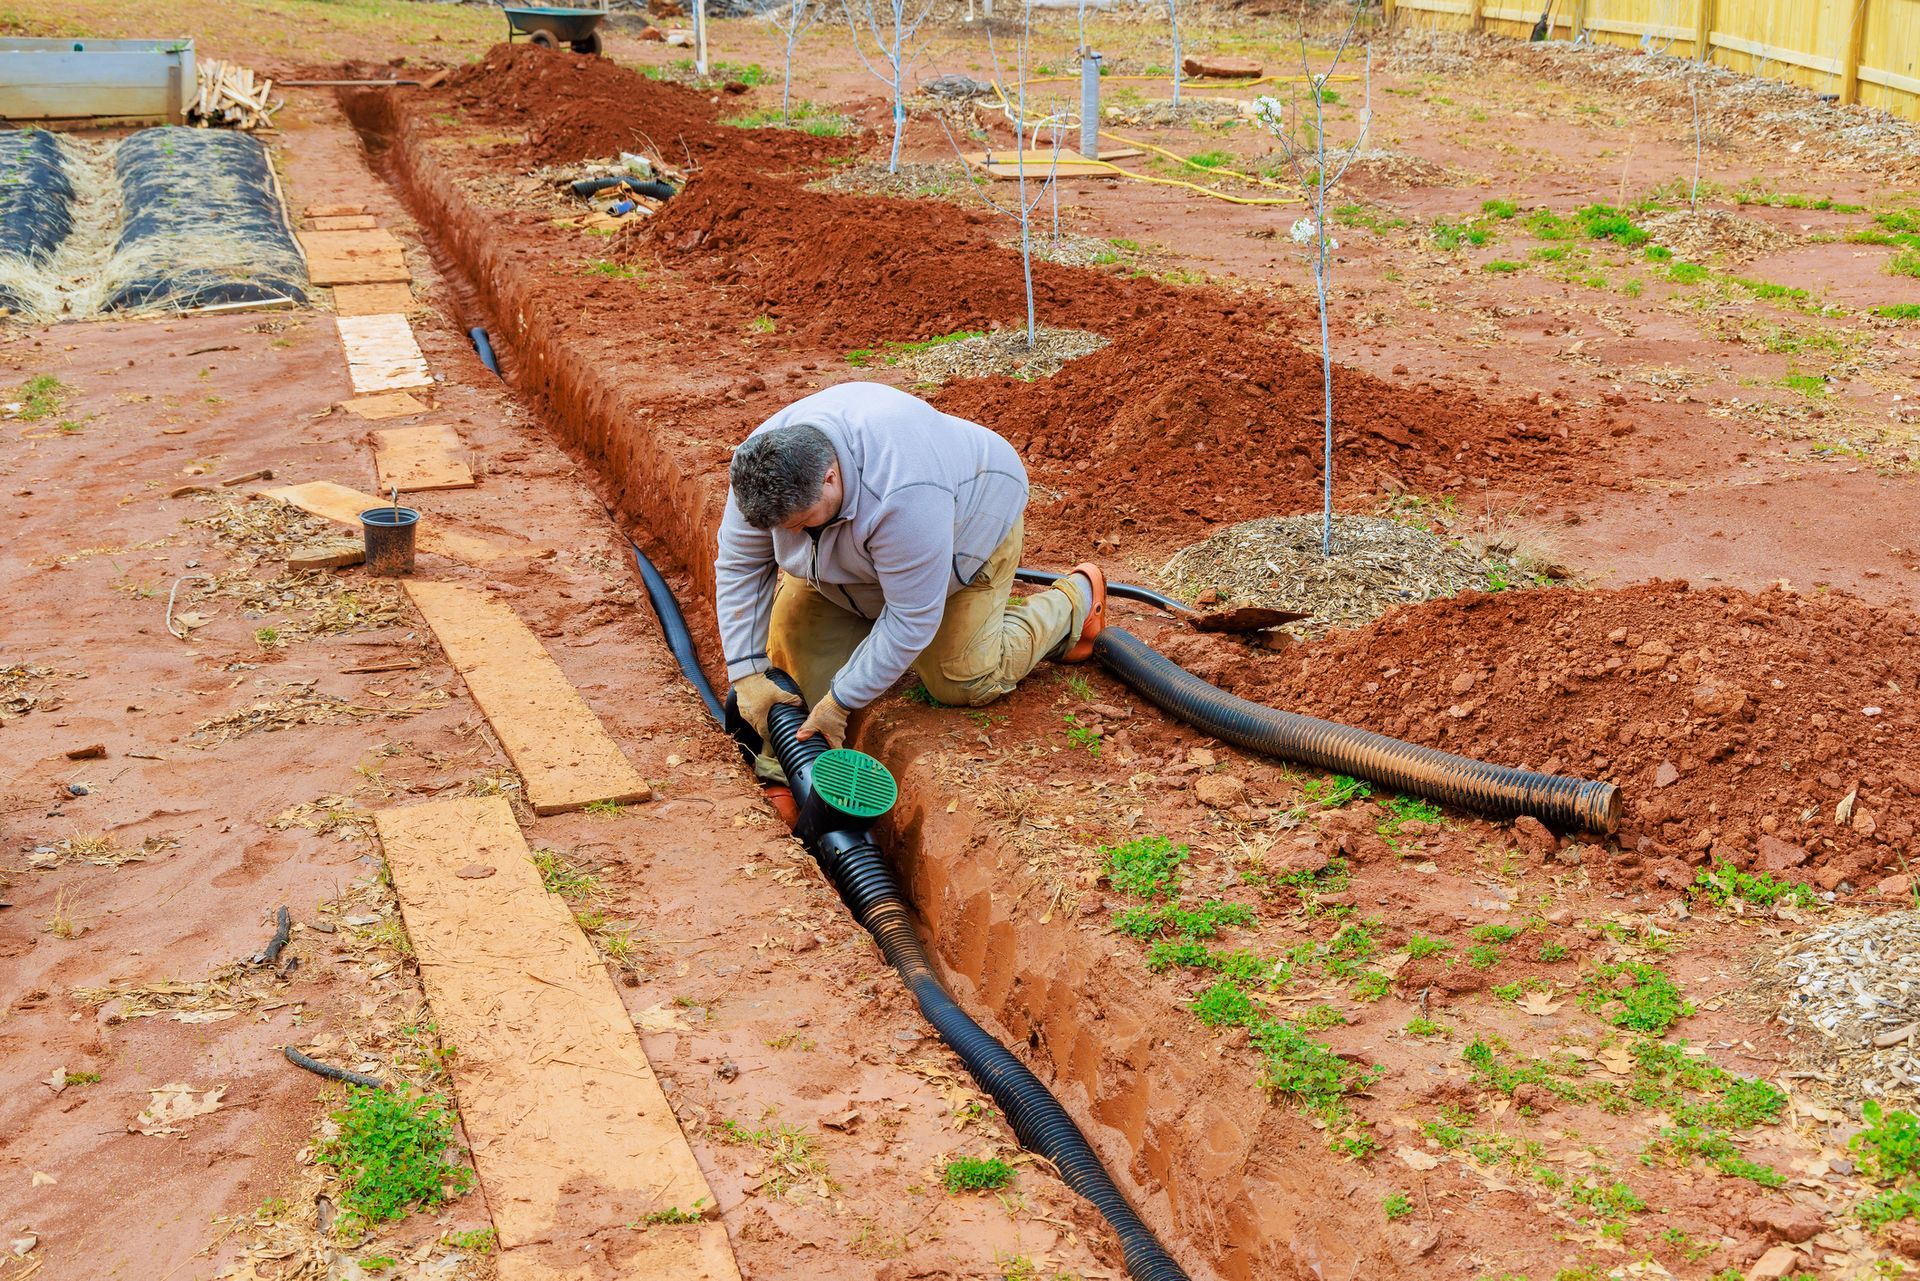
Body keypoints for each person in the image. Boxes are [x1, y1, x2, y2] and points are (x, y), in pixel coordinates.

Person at [715, 381, 1105, 770]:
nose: (790, 536)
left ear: (829, 478)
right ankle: (782, 778)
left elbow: (911, 616)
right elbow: (740, 565)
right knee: (796, 672)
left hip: (964, 530)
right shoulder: (758, 468)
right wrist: (747, 672)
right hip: (851, 556)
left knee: (960, 677)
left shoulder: (906, 493)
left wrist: (841, 701)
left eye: (799, 524)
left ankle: (1074, 603)